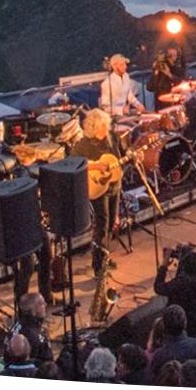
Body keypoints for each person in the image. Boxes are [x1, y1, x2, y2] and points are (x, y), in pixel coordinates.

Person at [69, 109, 122, 274]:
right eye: (103, 126)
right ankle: (98, 265)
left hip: (115, 186)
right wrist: (96, 165)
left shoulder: (112, 138)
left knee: (111, 222)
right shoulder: (83, 144)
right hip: (98, 188)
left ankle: (105, 257)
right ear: (94, 127)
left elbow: (124, 153)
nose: (106, 129)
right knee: (101, 225)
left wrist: (135, 156)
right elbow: (73, 163)